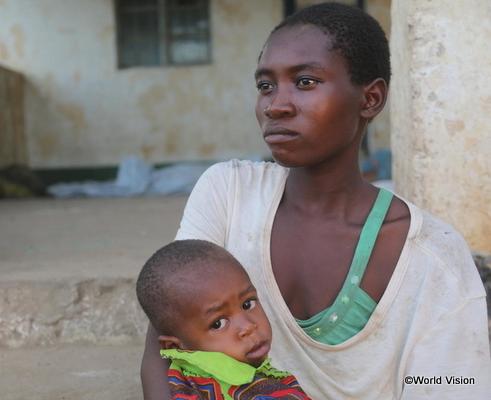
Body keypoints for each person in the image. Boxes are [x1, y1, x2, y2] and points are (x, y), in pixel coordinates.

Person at [141, 3, 491, 399]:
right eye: (265, 85)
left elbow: (450, 385)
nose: (276, 105)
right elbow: (168, 330)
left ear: (370, 99)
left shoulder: (432, 258)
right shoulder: (230, 193)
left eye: (305, 82)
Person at [136, 239, 311, 400]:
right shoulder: (251, 392)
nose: (248, 327)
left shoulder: (179, 381)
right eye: (218, 323)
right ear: (174, 347)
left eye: (248, 304)